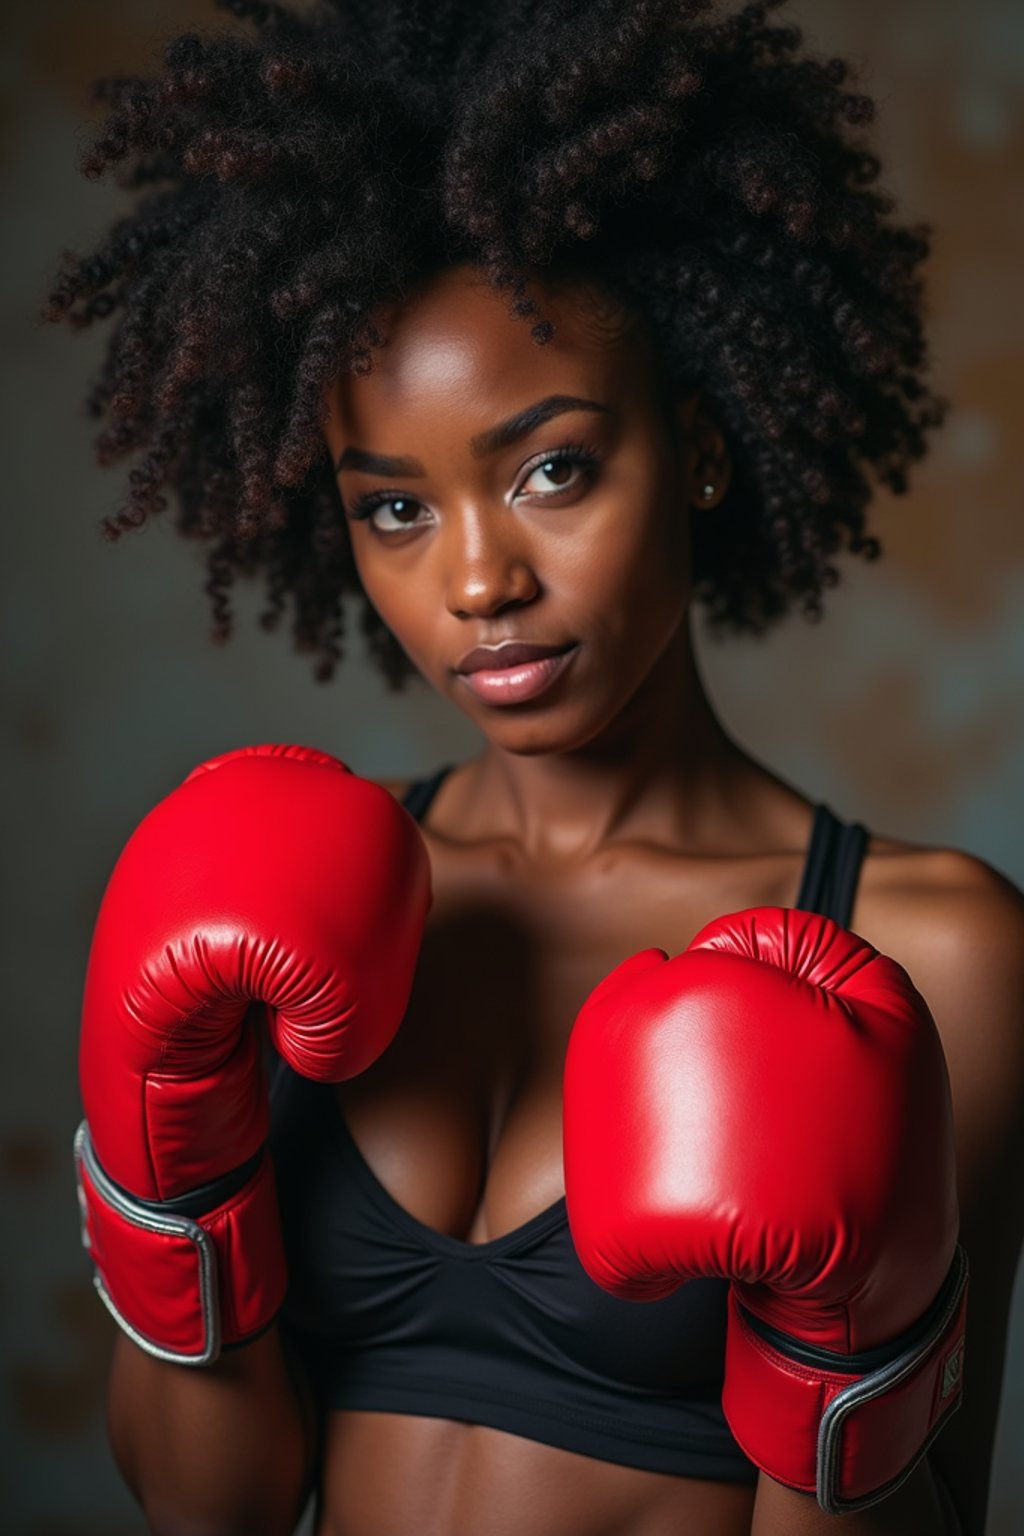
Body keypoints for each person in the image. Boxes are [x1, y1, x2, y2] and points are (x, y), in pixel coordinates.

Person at [45, 2, 1024, 1534]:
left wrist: (853, 1358)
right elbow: (205, 1508)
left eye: (550, 469)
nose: (480, 578)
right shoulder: (297, 901)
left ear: (696, 450)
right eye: (396, 509)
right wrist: (171, 1197)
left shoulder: (931, 948)